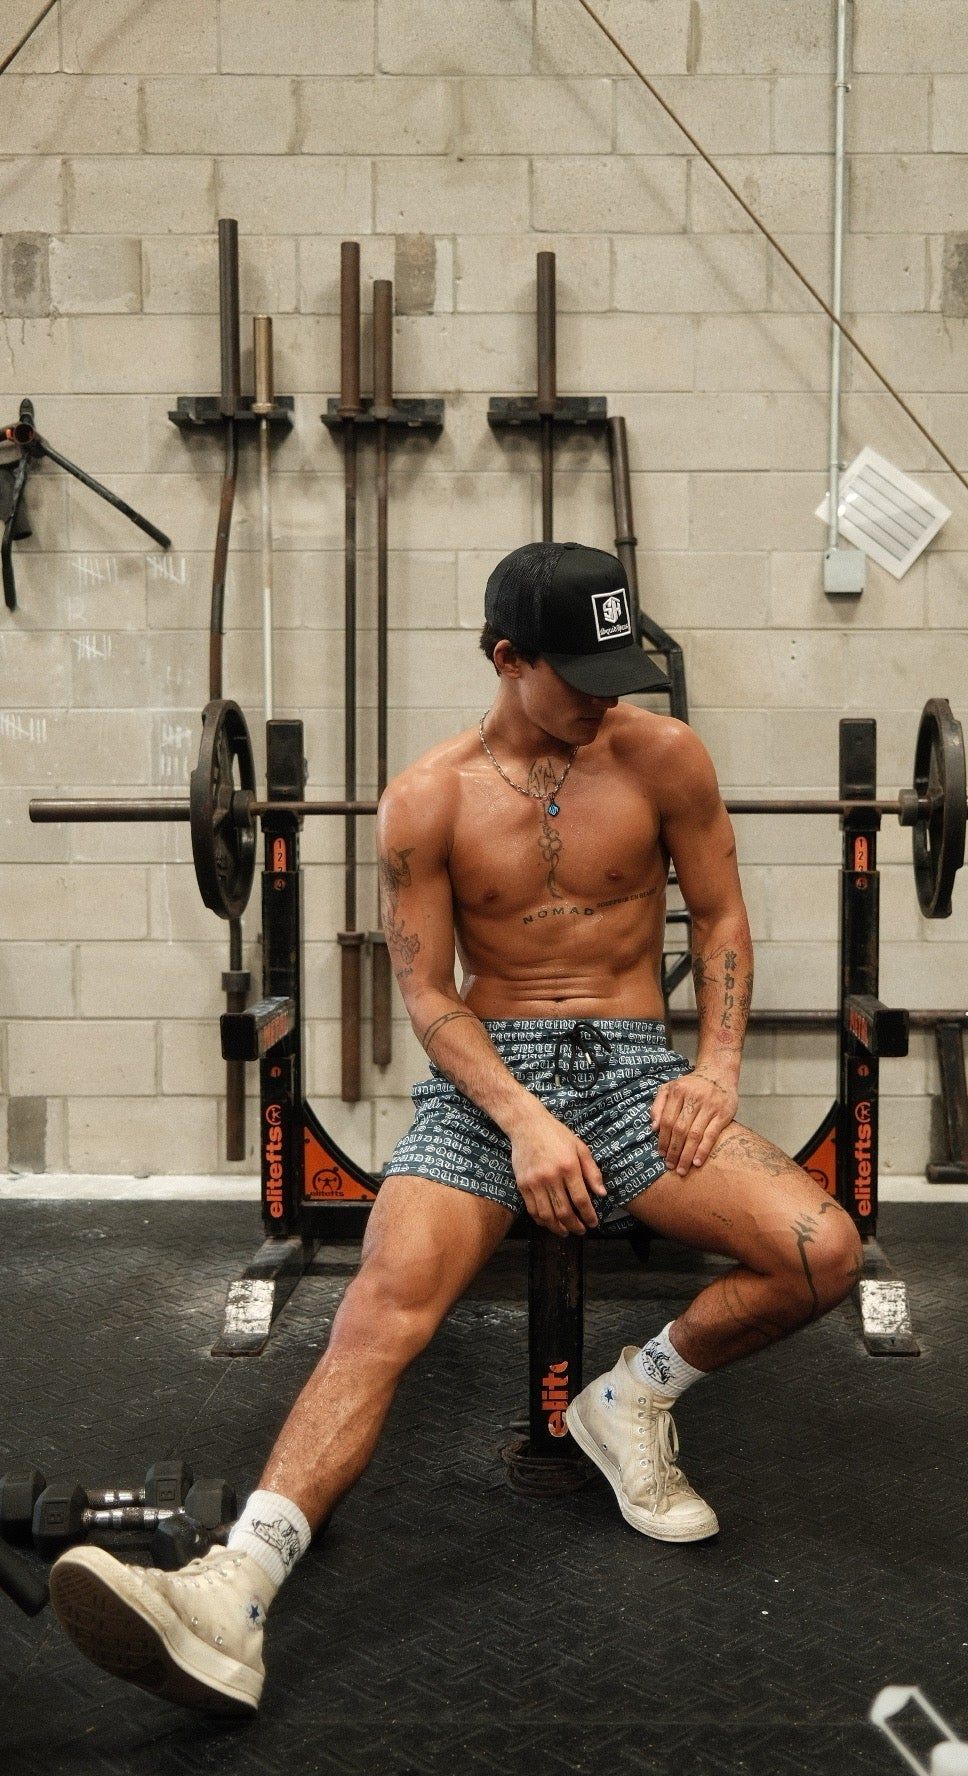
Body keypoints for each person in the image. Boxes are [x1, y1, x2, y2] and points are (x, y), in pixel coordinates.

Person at [49, 540, 863, 1716]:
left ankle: (632, 1397)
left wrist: (719, 1064)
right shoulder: (427, 797)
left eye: (617, 668)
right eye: (579, 674)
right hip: (491, 1084)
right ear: (505, 658)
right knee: (382, 1307)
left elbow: (724, 916)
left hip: (637, 1071)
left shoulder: (666, 758)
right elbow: (429, 995)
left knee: (819, 1253)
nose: (605, 696)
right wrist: (524, 1119)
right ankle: (233, 1589)